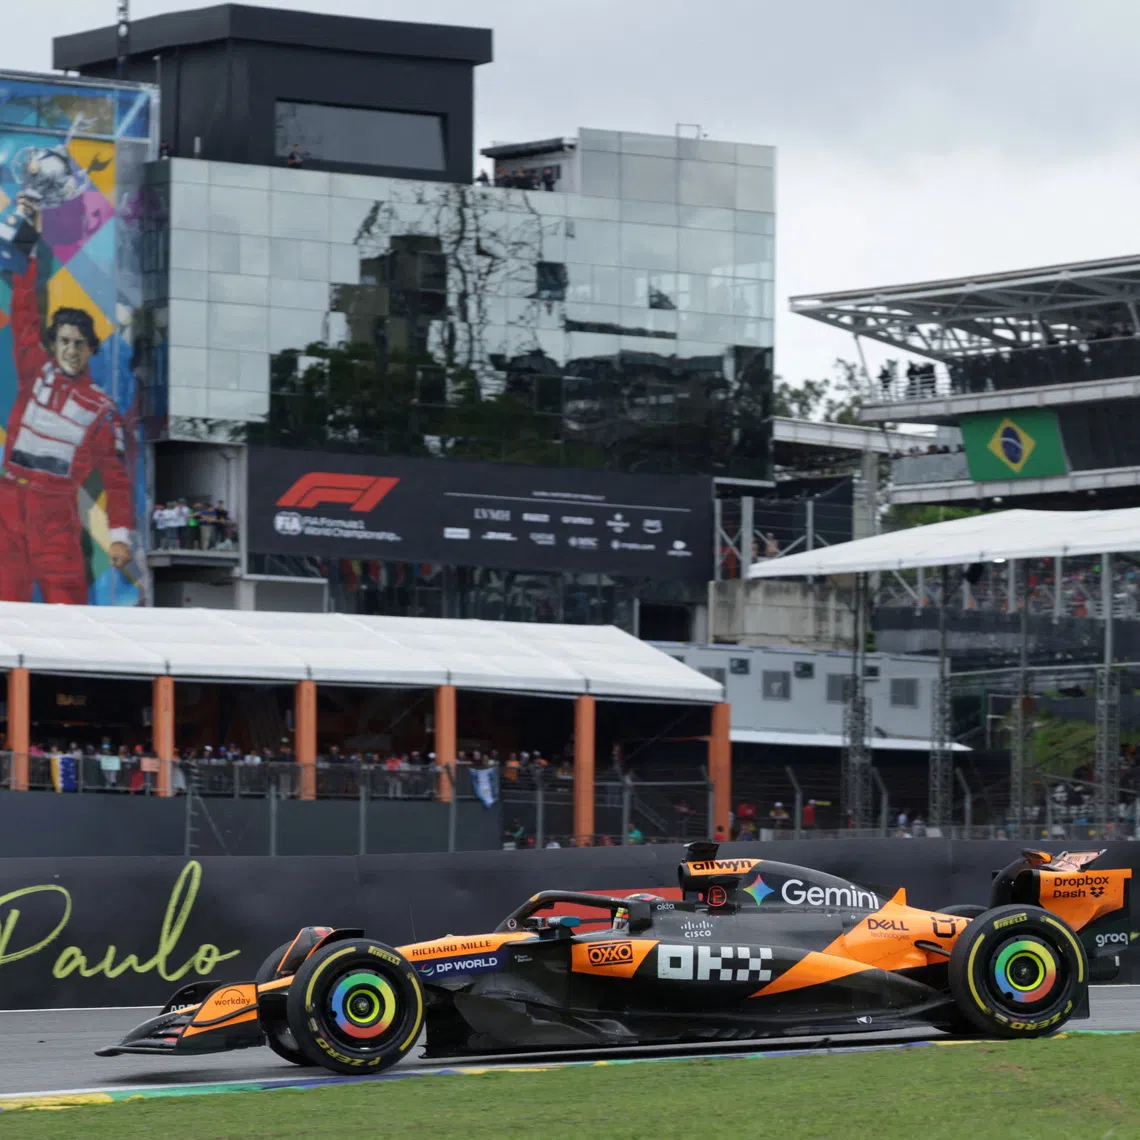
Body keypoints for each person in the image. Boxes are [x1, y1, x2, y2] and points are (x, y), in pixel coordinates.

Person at [0, 193, 134, 603]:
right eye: (63, 341)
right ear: (53, 344)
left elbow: (116, 478)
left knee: (68, 610)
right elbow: (25, 306)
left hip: (54, 512)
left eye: (79, 343)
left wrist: (119, 538)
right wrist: (31, 242)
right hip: (8, 503)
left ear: (91, 349)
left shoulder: (101, 409)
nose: (70, 349)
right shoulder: (33, 366)